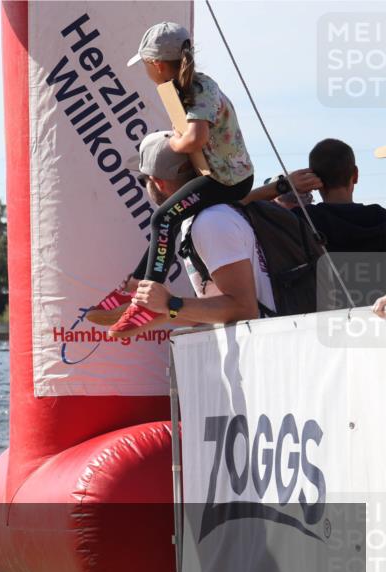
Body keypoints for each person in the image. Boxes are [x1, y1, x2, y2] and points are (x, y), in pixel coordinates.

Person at [93, 22, 255, 337]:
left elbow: (194, 138)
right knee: (168, 221)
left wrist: (173, 143)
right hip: (219, 173)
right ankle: (135, 288)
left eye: (144, 65)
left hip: (229, 179)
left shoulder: (199, 87)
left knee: (162, 216)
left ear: (156, 64)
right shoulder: (184, 88)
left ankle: (146, 298)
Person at [124, 131, 274, 329]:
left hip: (261, 349)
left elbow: (245, 310)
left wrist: (171, 303)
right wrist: (160, 311)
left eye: (143, 181)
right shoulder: (197, 219)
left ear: (157, 182)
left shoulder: (210, 222)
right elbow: (214, 309)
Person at [244, 139, 386, 253]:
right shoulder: (380, 218)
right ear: (355, 174)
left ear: (314, 179)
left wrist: (283, 185)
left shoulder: (300, 221)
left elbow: (235, 206)